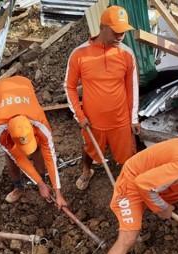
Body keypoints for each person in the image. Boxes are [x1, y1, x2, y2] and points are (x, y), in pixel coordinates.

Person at [64, 5, 139, 191]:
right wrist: (79, 116)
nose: (121, 36)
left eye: (123, 32)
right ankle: (86, 171)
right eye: (116, 32)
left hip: (120, 119)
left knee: (128, 155)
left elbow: (132, 88)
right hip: (92, 121)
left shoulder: (126, 54)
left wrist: (134, 118)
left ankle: (127, 182)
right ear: (103, 27)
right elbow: (69, 87)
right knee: (89, 149)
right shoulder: (79, 54)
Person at [0, 76, 67, 208]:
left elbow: (50, 156)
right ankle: (18, 186)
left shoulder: (40, 123)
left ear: (32, 128)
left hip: (22, 85)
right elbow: (19, 158)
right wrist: (40, 184)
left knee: (37, 149)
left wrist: (58, 192)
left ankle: (43, 178)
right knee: (10, 155)